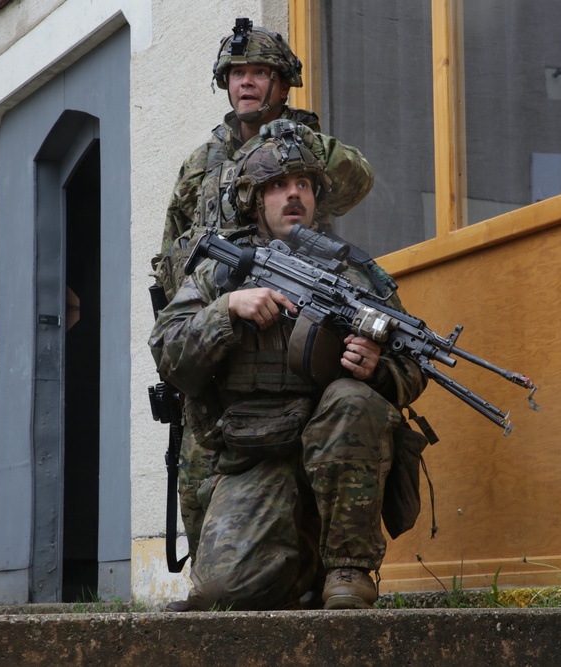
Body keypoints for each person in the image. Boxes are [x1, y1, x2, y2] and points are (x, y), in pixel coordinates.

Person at [149, 133, 427, 611]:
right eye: (277, 185)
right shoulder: (220, 271)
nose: (293, 193)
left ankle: (348, 571)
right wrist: (228, 309)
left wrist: (378, 370)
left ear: (317, 198)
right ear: (255, 200)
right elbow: (168, 352)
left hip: (333, 446)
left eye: (304, 183)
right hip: (255, 454)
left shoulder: (353, 275)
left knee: (354, 399)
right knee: (222, 593)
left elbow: (413, 363)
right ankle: (298, 568)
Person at [152, 17, 375, 571]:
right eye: (236, 74)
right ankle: (215, 588)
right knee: (199, 476)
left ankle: (320, 573)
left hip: (294, 324)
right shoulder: (199, 164)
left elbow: (357, 183)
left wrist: (294, 151)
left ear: (282, 83)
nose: (246, 83)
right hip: (216, 328)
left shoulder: (306, 149)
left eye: (259, 73)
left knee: (312, 450)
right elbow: (171, 257)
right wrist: (188, 325)